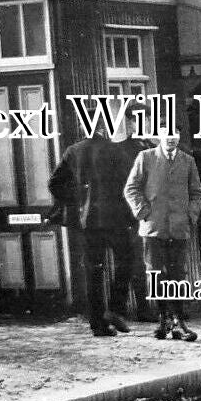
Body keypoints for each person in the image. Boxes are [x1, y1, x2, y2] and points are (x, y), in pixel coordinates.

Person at [48, 100, 146, 337]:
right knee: (127, 260)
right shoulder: (116, 150)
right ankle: (115, 309)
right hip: (116, 218)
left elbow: (54, 183)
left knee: (93, 271)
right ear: (103, 125)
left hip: (88, 222)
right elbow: (128, 185)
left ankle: (97, 325)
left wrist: (79, 202)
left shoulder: (73, 151)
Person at [124, 126, 201, 341]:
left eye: (174, 134)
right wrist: (144, 212)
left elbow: (197, 193)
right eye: (166, 134)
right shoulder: (146, 157)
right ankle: (163, 320)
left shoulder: (187, 161)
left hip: (178, 228)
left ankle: (179, 322)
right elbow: (131, 188)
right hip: (153, 228)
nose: (170, 138)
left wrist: (189, 215)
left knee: (177, 276)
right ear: (158, 136)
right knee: (156, 275)